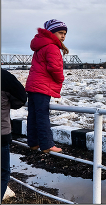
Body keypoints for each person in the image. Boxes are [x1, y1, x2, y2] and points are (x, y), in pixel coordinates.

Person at [25, 19, 69, 153]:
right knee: (43, 115)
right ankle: (47, 145)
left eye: (65, 33)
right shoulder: (52, 47)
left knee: (33, 115)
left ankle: (33, 143)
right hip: (42, 86)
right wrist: (60, 79)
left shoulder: (41, 46)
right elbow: (54, 68)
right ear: (51, 33)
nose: (63, 36)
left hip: (33, 84)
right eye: (60, 32)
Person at [1, 68, 27, 201]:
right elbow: (22, 98)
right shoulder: (4, 77)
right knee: (2, 174)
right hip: (1, 135)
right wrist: (7, 103)